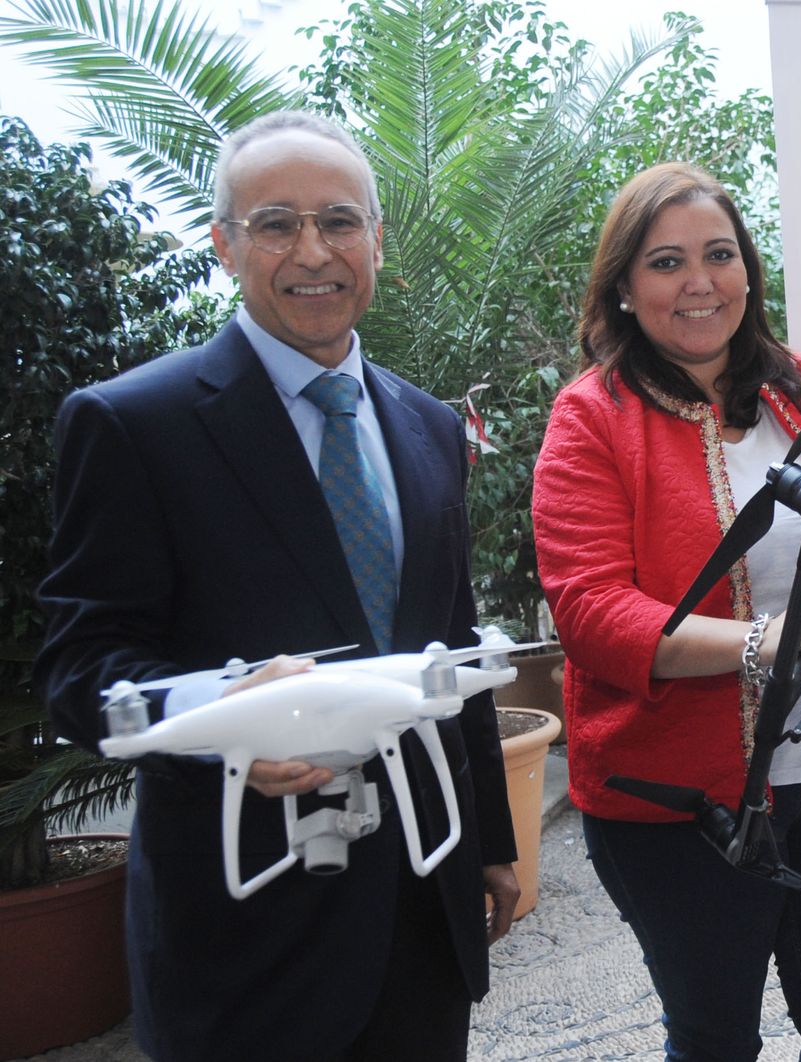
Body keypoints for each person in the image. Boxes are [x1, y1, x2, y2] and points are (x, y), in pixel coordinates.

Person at [35, 111, 518, 1062]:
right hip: (244, 928)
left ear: (376, 241)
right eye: (275, 223)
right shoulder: (133, 425)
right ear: (223, 244)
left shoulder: (427, 427)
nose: (313, 251)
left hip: (419, 911)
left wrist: (490, 844)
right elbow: (80, 663)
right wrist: (224, 718)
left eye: (340, 220)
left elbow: (447, 643)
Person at [531, 161, 801, 1060]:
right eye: (666, 262)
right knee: (716, 1040)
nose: (699, 282)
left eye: (719, 255)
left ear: (748, 271)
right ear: (625, 290)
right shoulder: (590, 418)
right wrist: (762, 643)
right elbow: (592, 613)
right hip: (683, 802)